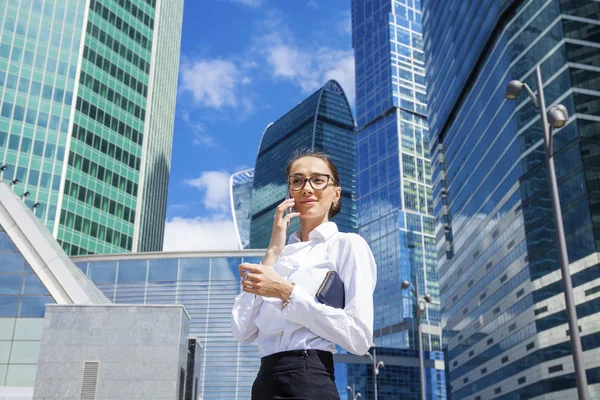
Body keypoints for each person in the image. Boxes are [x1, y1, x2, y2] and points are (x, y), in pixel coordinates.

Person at [231, 149, 377, 400]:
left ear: (336, 193)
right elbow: (241, 331)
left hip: (309, 377)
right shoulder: (279, 257)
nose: (307, 188)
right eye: (297, 181)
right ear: (290, 192)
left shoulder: (347, 245)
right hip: (264, 382)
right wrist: (273, 251)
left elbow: (360, 338)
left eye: (318, 180)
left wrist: (287, 293)